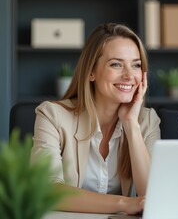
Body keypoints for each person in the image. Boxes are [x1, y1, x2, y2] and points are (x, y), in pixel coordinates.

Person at [30, 23, 160, 214]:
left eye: (136, 65)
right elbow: (47, 190)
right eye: (116, 64)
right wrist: (124, 204)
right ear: (91, 71)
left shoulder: (147, 121)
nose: (129, 75)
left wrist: (131, 124)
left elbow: (154, 196)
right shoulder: (52, 116)